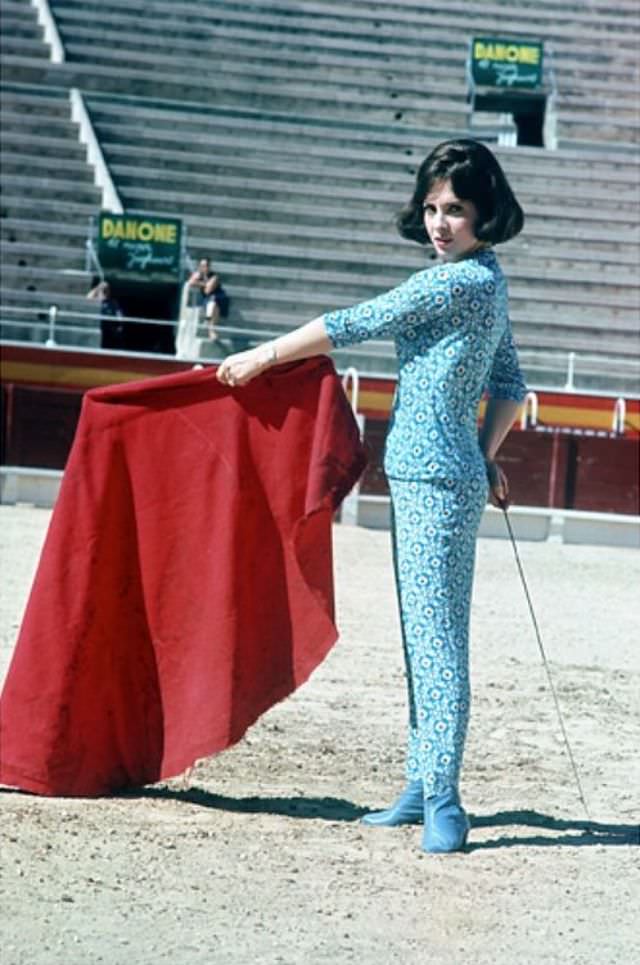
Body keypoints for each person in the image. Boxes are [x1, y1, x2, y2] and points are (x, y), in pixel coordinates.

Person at [216, 139, 527, 854]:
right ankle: (423, 783)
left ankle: (445, 798)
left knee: (438, 642)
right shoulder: (487, 279)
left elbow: (354, 321)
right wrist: (484, 459)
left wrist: (264, 354)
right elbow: (511, 384)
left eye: (455, 209)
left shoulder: (457, 283)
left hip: (432, 481)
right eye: (431, 208)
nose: (439, 222)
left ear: (486, 213)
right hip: (438, 476)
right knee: (425, 638)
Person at [187, 257, 230, 340]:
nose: (204, 268)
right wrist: (204, 283)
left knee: (213, 304)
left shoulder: (214, 276)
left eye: (206, 265)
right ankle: (210, 326)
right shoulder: (199, 275)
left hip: (219, 297)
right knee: (211, 303)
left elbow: (208, 290)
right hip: (207, 299)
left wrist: (198, 283)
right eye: (202, 266)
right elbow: (190, 283)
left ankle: (211, 330)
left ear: (209, 266)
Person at [86, 279, 125, 350]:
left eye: (106, 290)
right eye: (103, 290)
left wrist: (120, 326)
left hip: (109, 332)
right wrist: (97, 288)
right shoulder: (95, 302)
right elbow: (87, 299)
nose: (105, 292)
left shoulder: (113, 303)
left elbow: (119, 316)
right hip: (97, 329)